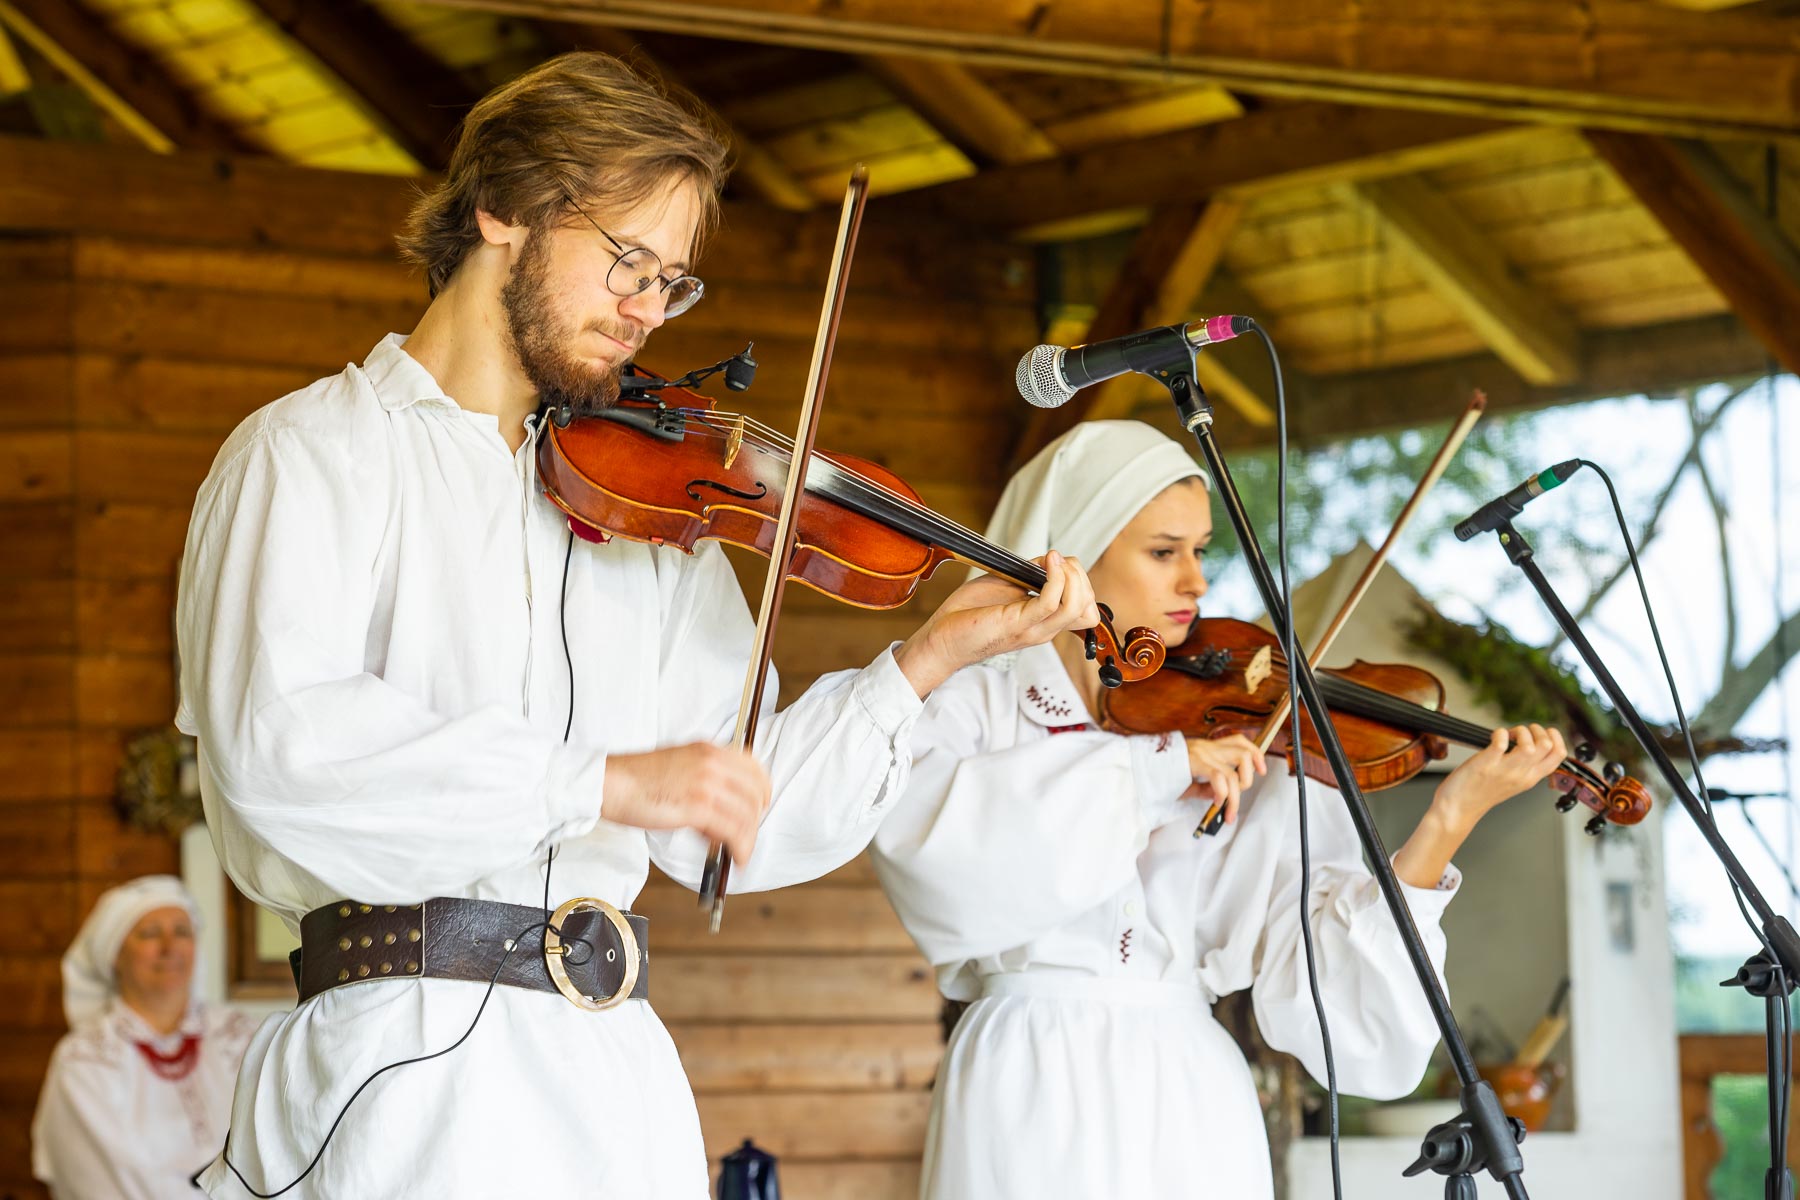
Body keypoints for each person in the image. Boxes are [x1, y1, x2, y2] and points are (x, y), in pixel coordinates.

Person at [173, 52, 1100, 1199]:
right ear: (500, 209)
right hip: (396, 1086)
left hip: (614, 1089)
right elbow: (285, 752)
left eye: (674, 282)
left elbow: (729, 806)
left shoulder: (651, 516)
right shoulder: (310, 456)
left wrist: (928, 659)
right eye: (624, 259)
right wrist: (602, 782)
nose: (647, 311)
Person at [871, 421, 1571, 1199]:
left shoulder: (1244, 727)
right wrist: (1156, 768)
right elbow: (942, 873)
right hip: (1027, 1077)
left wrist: (1448, 822)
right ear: (1072, 552)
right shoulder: (978, 699)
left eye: (1201, 552)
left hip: (1190, 1092)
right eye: (1164, 552)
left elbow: (1349, 1022)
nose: (1196, 583)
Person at [32, 876, 258, 1200]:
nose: (169, 948)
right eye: (150, 934)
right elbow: (112, 1181)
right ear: (114, 955)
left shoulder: (241, 1035)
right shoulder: (84, 1059)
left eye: (182, 932)